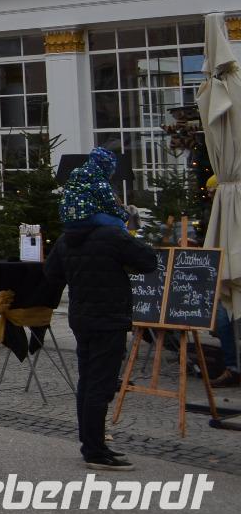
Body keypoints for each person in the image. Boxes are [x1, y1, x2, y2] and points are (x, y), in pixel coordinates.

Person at [45, 147, 159, 471]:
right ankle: (95, 450)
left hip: (81, 317)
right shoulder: (111, 234)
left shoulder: (67, 237)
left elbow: (51, 273)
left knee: (87, 381)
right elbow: (148, 261)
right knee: (101, 384)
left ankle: (89, 443)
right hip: (109, 318)